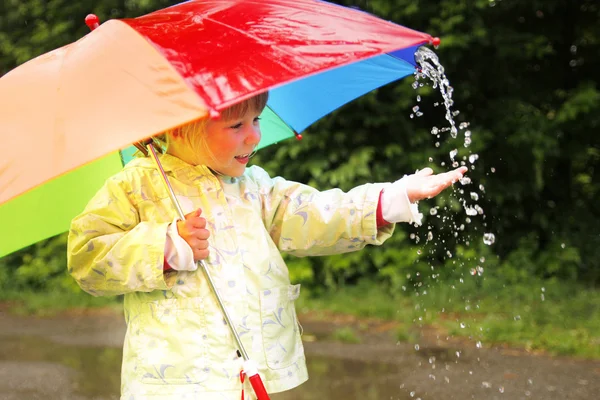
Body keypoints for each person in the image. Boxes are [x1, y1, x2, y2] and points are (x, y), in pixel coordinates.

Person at [67, 91, 467, 400]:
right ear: (179, 127)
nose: (254, 136)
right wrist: (167, 245)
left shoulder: (253, 188)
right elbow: (89, 256)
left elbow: (315, 213)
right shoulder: (136, 185)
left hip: (248, 371)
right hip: (174, 380)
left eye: (256, 120)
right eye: (236, 125)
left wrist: (393, 197)